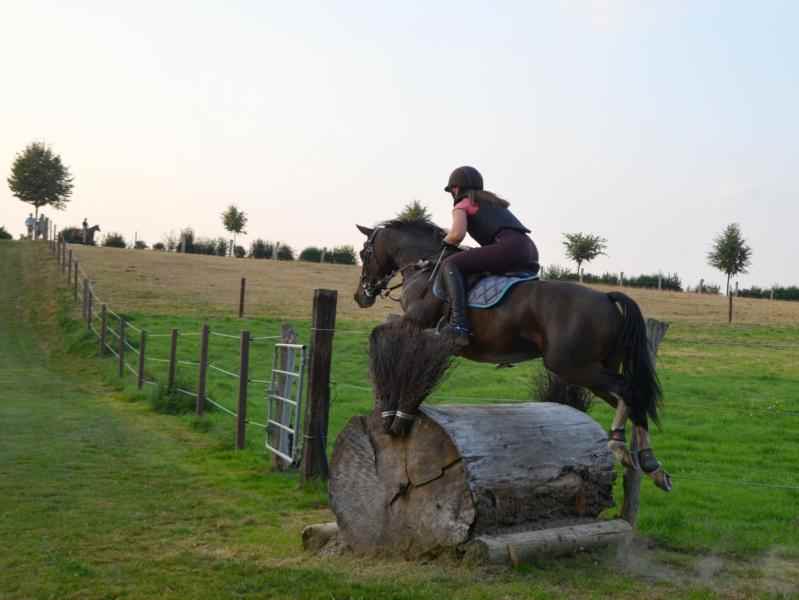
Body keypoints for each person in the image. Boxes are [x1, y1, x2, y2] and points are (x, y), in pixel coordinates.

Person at [439, 166, 539, 346]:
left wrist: (444, 242)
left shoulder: (462, 204)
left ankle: (458, 325)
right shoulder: (491, 202)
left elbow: (457, 235)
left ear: (456, 188)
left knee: (450, 264)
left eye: (452, 190)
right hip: (528, 248)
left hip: (508, 247)